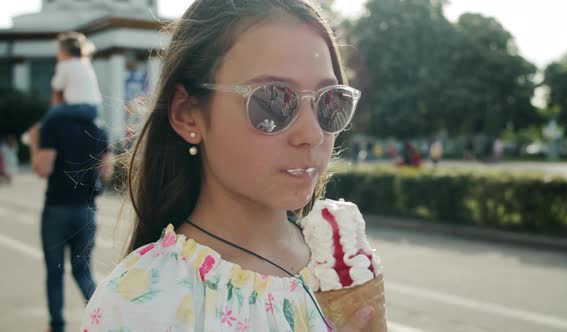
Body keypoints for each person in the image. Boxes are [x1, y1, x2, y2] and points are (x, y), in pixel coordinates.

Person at [80, 1, 376, 331]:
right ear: (188, 113)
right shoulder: (137, 303)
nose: (312, 133)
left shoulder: (342, 264)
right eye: (273, 101)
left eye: (330, 101)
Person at [24, 32, 113, 332]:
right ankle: (107, 320)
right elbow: (107, 173)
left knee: (54, 273)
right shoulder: (98, 127)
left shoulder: (53, 122)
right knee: (83, 271)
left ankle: (57, 326)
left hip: (57, 209)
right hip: (87, 210)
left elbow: (42, 169)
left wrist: (35, 143)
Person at [41, 32, 101, 126]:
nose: (57, 55)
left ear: (64, 51)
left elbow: (57, 91)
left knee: (51, 114)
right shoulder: (86, 64)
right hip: (94, 109)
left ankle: (37, 133)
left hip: (77, 108)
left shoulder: (64, 65)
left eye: (59, 51)